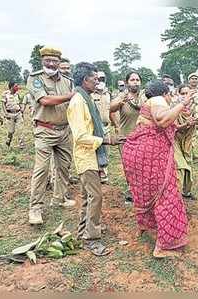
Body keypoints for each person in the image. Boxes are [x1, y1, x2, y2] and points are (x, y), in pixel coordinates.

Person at [122, 80, 194, 258]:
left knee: (146, 194)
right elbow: (162, 121)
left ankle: (146, 226)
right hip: (151, 156)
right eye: (170, 95)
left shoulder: (150, 104)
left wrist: (184, 123)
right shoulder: (158, 100)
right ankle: (163, 246)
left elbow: (162, 126)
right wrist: (183, 103)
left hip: (137, 155)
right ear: (165, 93)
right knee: (166, 195)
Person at [67, 62, 123, 256]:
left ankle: (85, 231)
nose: (97, 82)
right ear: (85, 80)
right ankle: (92, 238)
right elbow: (80, 136)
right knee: (95, 196)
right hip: (86, 156)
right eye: (95, 79)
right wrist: (105, 140)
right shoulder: (78, 102)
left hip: (91, 155)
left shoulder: (86, 98)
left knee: (87, 197)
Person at [27, 46, 76, 225]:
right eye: (47, 60)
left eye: (54, 61)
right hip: (44, 130)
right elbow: (45, 101)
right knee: (42, 170)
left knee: (64, 167)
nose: (51, 63)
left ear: (59, 62)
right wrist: (71, 95)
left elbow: (72, 104)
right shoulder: (35, 78)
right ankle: (35, 208)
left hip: (63, 131)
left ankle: (59, 198)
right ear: (42, 61)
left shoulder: (67, 81)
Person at [110, 71, 145, 203]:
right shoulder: (121, 96)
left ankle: (141, 190)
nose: (135, 82)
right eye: (132, 79)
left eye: (137, 79)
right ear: (126, 83)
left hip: (142, 136)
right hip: (125, 137)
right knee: (129, 166)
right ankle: (131, 191)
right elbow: (111, 109)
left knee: (142, 164)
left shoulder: (144, 97)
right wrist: (120, 103)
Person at [174, 84, 197, 200]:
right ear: (178, 94)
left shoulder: (195, 109)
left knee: (188, 164)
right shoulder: (173, 108)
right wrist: (186, 124)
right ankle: (175, 197)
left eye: (187, 93)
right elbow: (173, 127)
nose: (185, 96)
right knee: (181, 166)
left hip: (187, 141)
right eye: (182, 93)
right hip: (175, 141)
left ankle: (186, 192)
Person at [91, 71, 112, 184]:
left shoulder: (108, 94)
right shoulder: (90, 94)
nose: (100, 81)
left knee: (105, 151)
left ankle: (104, 174)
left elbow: (111, 110)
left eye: (103, 79)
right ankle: (95, 174)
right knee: (94, 150)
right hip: (94, 127)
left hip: (106, 127)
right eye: (98, 79)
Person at [2, 81, 25, 148]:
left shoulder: (17, 94)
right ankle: (8, 141)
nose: (17, 87)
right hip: (10, 114)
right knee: (11, 131)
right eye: (16, 86)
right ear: (11, 87)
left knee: (21, 129)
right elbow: (3, 104)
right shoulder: (5, 94)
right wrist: (5, 114)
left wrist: (21, 111)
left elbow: (19, 103)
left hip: (18, 113)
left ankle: (21, 145)